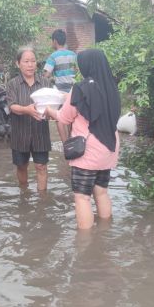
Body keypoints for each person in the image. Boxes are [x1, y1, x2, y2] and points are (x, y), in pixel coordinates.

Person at [45, 49, 121, 229]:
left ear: (87, 65)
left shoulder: (81, 88)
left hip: (88, 151)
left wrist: (49, 110)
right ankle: (104, 233)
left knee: (82, 197)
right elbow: (93, 100)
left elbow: (64, 117)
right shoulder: (111, 87)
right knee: (101, 193)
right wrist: (68, 96)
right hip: (109, 148)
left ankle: (85, 245)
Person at [6, 47, 51, 191]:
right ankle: (24, 193)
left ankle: (42, 200)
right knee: (21, 166)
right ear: (18, 64)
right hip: (20, 133)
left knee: (41, 166)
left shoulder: (45, 83)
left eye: (33, 61)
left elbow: (52, 106)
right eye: (26, 61)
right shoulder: (12, 84)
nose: (30, 65)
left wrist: (51, 112)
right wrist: (27, 110)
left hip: (40, 132)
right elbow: (11, 106)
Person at [43, 29, 77, 142]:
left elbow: (46, 74)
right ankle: (73, 141)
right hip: (74, 91)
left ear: (55, 41)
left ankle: (65, 144)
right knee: (72, 117)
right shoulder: (73, 55)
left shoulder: (53, 56)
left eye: (52, 41)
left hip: (60, 92)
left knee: (60, 117)